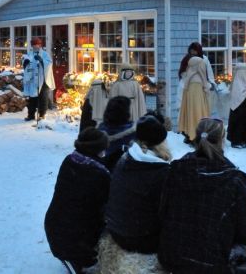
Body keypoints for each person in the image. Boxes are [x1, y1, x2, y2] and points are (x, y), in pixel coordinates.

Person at [158, 118, 246, 273]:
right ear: (222, 141)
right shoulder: (234, 181)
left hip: (173, 259)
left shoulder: (174, 171)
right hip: (215, 266)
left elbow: (161, 213)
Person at [45, 127, 111, 273]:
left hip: (53, 228)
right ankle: (82, 262)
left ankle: (73, 259)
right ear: (98, 150)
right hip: (77, 242)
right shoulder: (100, 174)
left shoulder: (69, 160)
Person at [104, 114, 171, 254]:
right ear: (160, 143)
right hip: (140, 239)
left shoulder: (125, 158)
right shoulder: (161, 172)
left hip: (115, 230)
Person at [97, 96, 136, 172]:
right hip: (125, 173)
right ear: (126, 112)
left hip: (102, 171)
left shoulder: (99, 131)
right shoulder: (133, 132)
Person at [178, 56, 210, 141]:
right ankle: (196, 134)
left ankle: (191, 134)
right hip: (197, 104)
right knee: (196, 113)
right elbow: (197, 106)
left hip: (194, 101)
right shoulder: (196, 80)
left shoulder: (189, 76)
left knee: (193, 113)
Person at [22, 37, 55, 121]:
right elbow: (25, 62)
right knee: (32, 98)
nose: (35, 47)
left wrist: (41, 61)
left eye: (37, 45)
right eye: (34, 45)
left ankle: (42, 114)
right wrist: (26, 63)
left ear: (40, 45)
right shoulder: (30, 54)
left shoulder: (45, 54)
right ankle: (31, 115)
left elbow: (49, 64)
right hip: (33, 80)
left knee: (43, 98)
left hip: (43, 79)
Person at [226, 63, 246, 148]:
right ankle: (236, 141)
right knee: (238, 123)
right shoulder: (237, 84)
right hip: (238, 111)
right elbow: (240, 96)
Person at [177, 42, 217, 110]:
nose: (193, 52)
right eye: (192, 50)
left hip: (200, 89)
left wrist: (211, 84)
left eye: (195, 50)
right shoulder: (186, 59)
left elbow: (209, 74)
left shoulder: (204, 59)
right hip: (188, 87)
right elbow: (183, 74)